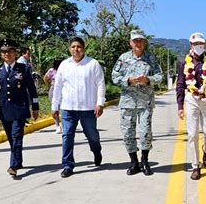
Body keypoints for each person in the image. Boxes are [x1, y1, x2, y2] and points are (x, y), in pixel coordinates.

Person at [0, 39, 39, 177]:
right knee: (12, 138)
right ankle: (18, 160)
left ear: (15, 53)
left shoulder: (23, 69)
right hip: (4, 110)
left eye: (10, 51)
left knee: (16, 136)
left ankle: (13, 166)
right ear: (1, 54)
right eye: (4, 52)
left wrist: (35, 107)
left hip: (20, 109)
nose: (7, 54)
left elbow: (32, 89)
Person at [51, 37, 106, 178]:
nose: (76, 49)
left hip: (88, 109)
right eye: (73, 46)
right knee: (67, 136)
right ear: (70, 48)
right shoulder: (64, 65)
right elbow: (57, 87)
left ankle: (96, 151)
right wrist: (55, 106)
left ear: (84, 48)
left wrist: (100, 103)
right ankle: (68, 165)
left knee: (92, 136)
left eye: (79, 46)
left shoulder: (93, 64)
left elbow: (100, 84)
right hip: (68, 108)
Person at [111, 29, 162, 176]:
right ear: (130, 43)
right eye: (135, 41)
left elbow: (159, 75)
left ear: (144, 42)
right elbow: (114, 76)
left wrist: (149, 79)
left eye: (141, 40)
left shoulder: (150, 58)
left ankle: (145, 160)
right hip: (128, 102)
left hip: (145, 102)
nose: (138, 43)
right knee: (128, 133)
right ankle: (133, 162)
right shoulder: (123, 58)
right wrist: (127, 80)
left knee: (145, 132)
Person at [176, 32, 206, 180]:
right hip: (191, 99)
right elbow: (180, 84)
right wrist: (180, 105)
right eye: (196, 44)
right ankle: (195, 166)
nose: (199, 46)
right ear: (191, 45)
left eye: (201, 44)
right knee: (192, 134)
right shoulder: (185, 63)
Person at [43, 59, 63, 134]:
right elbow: (45, 78)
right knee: (55, 108)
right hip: (53, 89)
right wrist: (49, 85)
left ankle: (63, 124)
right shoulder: (51, 71)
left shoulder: (65, 70)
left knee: (63, 108)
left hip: (63, 90)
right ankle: (57, 126)